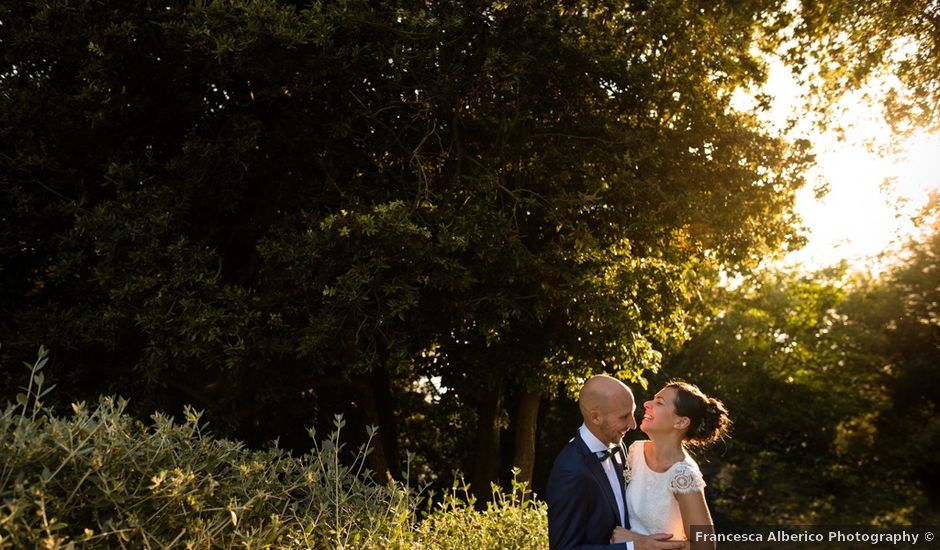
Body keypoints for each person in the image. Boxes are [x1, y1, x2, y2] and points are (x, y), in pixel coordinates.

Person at [546, 375, 688, 550]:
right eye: (623, 417)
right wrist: (633, 547)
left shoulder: (621, 447)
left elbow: (704, 540)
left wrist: (637, 541)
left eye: (632, 412)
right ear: (595, 417)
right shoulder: (571, 469)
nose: (633, 424)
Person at [611, 381, 731, 550]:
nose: (646, 404)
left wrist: (640, 541)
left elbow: (705, 546)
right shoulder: (635, 451)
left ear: (681, 423)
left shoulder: (683, 474)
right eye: (653, 400)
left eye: (659, 402)